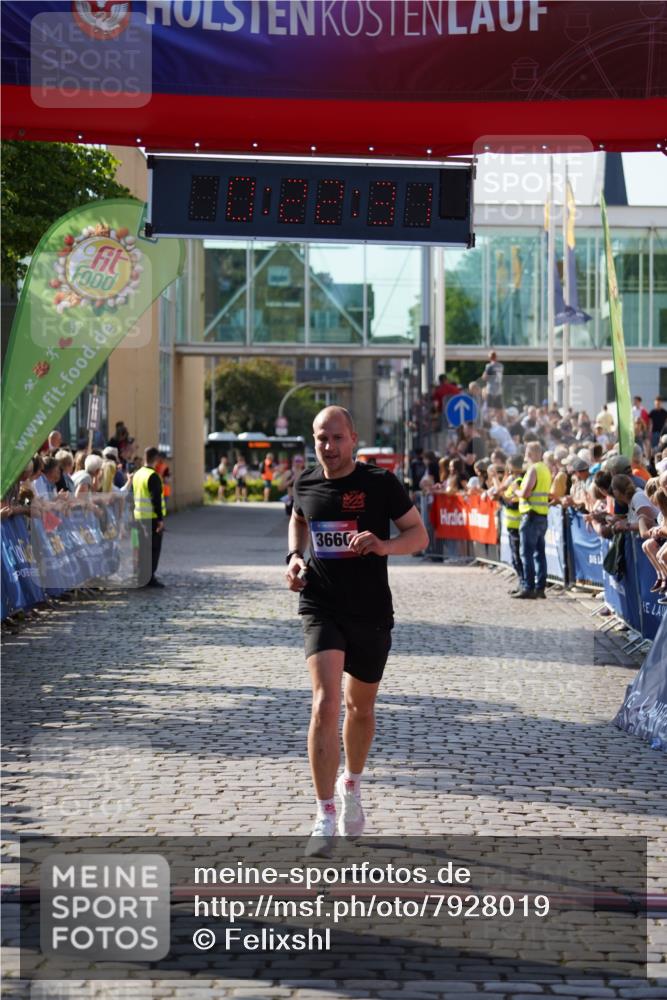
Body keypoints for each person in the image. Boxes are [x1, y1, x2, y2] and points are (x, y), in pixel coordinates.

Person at [285, 406, 428, 855]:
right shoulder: (305, 481)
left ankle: (352, 782)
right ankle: (324, 812)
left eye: (336, 438)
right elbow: (299, 519)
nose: (328, 447)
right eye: (320, 438)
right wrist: (293, 557)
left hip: (369, 611)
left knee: (359, 709)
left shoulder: (379, 484)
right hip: (321, 604)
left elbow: (419, 535)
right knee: (325, 704)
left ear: (354, 438)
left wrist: (384, 544)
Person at [513, 441, 552, 599]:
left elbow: (526, 493)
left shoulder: (533, 469)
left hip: (531, 515)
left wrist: (516, 489)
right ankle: (540, 588)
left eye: (527, 452)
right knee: (539, 553)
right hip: (542, 515)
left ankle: (529, 587)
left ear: (531, 454)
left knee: (526, 553)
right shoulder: (545, 469)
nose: (526, 456)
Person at [132, 446, 166, 588]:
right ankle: (149, 578)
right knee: (153, 548)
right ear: (156, 459)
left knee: (143, 548)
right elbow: (155, 499)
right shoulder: (153, 476)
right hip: (151, 518)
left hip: (139, 516)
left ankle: (141, 576)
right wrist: (160, 519)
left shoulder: (137, 474)